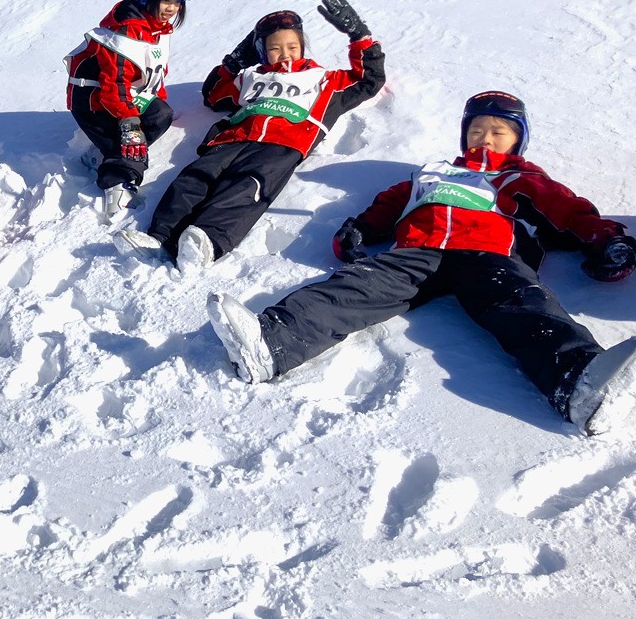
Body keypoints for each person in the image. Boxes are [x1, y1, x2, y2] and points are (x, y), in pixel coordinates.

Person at [205, 91, 636, 436]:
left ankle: (579, 383)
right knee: (355, 286)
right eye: (478, 129)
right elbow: (391, 202)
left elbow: (569, 212)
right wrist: (362, 228)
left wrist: (606, 240)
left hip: (488, 254)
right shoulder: (432, 173)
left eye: (499, 132)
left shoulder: (522, 178)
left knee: (525, 307)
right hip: (418, 251)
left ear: (518, 141)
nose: (485, 138)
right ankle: (269, 344)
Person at [117, 0, 385, 269]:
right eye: (275, 48)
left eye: (292, 46)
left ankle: (207, 240)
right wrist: (236, 59)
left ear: (303, 46)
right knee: (192, 181)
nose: (285, 53)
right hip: (231, 139)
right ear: (262, 51)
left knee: (247, 187)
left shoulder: (325, 81)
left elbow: (368, 79)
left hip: (281, 146)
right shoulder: (251, 77)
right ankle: (160, 237)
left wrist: (358, 34)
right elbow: (213, 94)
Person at [65, 0, 194, 217]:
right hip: (94, 101)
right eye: (167, 1)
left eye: (178, 3)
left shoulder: (157, 29)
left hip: (124, 98)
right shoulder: (125, 32)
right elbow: (115, 84)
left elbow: (153, 74)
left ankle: (99, 155)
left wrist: (159, 104)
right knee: (132, 141)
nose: (172, 9)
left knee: (160, 115)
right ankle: (118, 184)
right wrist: (130, 123)